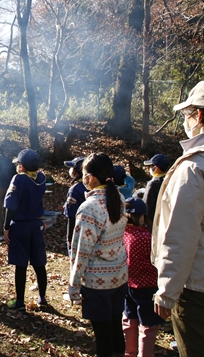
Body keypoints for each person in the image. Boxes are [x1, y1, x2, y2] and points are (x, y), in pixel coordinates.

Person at [151, 79, 204, 357]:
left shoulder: (195, 167)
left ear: (201, 115)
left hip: (197, 288)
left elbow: (180, 235)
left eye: (189, 114)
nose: (187, 120)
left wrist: (167, 290)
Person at [68, 153, 128, 357]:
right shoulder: (118, 197)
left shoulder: (89, 208)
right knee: (115, 327)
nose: (82, 179)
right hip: (119, 276)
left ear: (91, 178)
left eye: (84, 175)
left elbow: (80, 251)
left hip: (98, 283)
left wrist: (73, 285)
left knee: (103, 335)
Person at [4, 149, 48, 310]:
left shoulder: (19, 179)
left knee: (21, 264)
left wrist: (6, 227)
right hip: (37, 225)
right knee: (39, 264)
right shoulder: (41, 177)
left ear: (21, 167)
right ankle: (42, 298)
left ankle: (20, 301)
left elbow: (11, 206)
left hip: (21, 225)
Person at [122, 197, 164, 357]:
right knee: (148, 324)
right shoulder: (149, 238)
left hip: (127, 283)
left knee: (129, 318)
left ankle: (129, 352)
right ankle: (144, 354)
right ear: (142, 217)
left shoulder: (121, 234)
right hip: (147, 286)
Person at [62, 156, 86, 255]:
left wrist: (70, 238)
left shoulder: (75, 189)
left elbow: (71, 217)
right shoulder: (93, 185)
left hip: (78, 232)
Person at [142, 154, 170, 220]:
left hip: (153, 220)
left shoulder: (152, 184)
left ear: (156, 168)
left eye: (151, 166)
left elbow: (146, 206)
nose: (149, 168)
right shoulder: (169, 180)